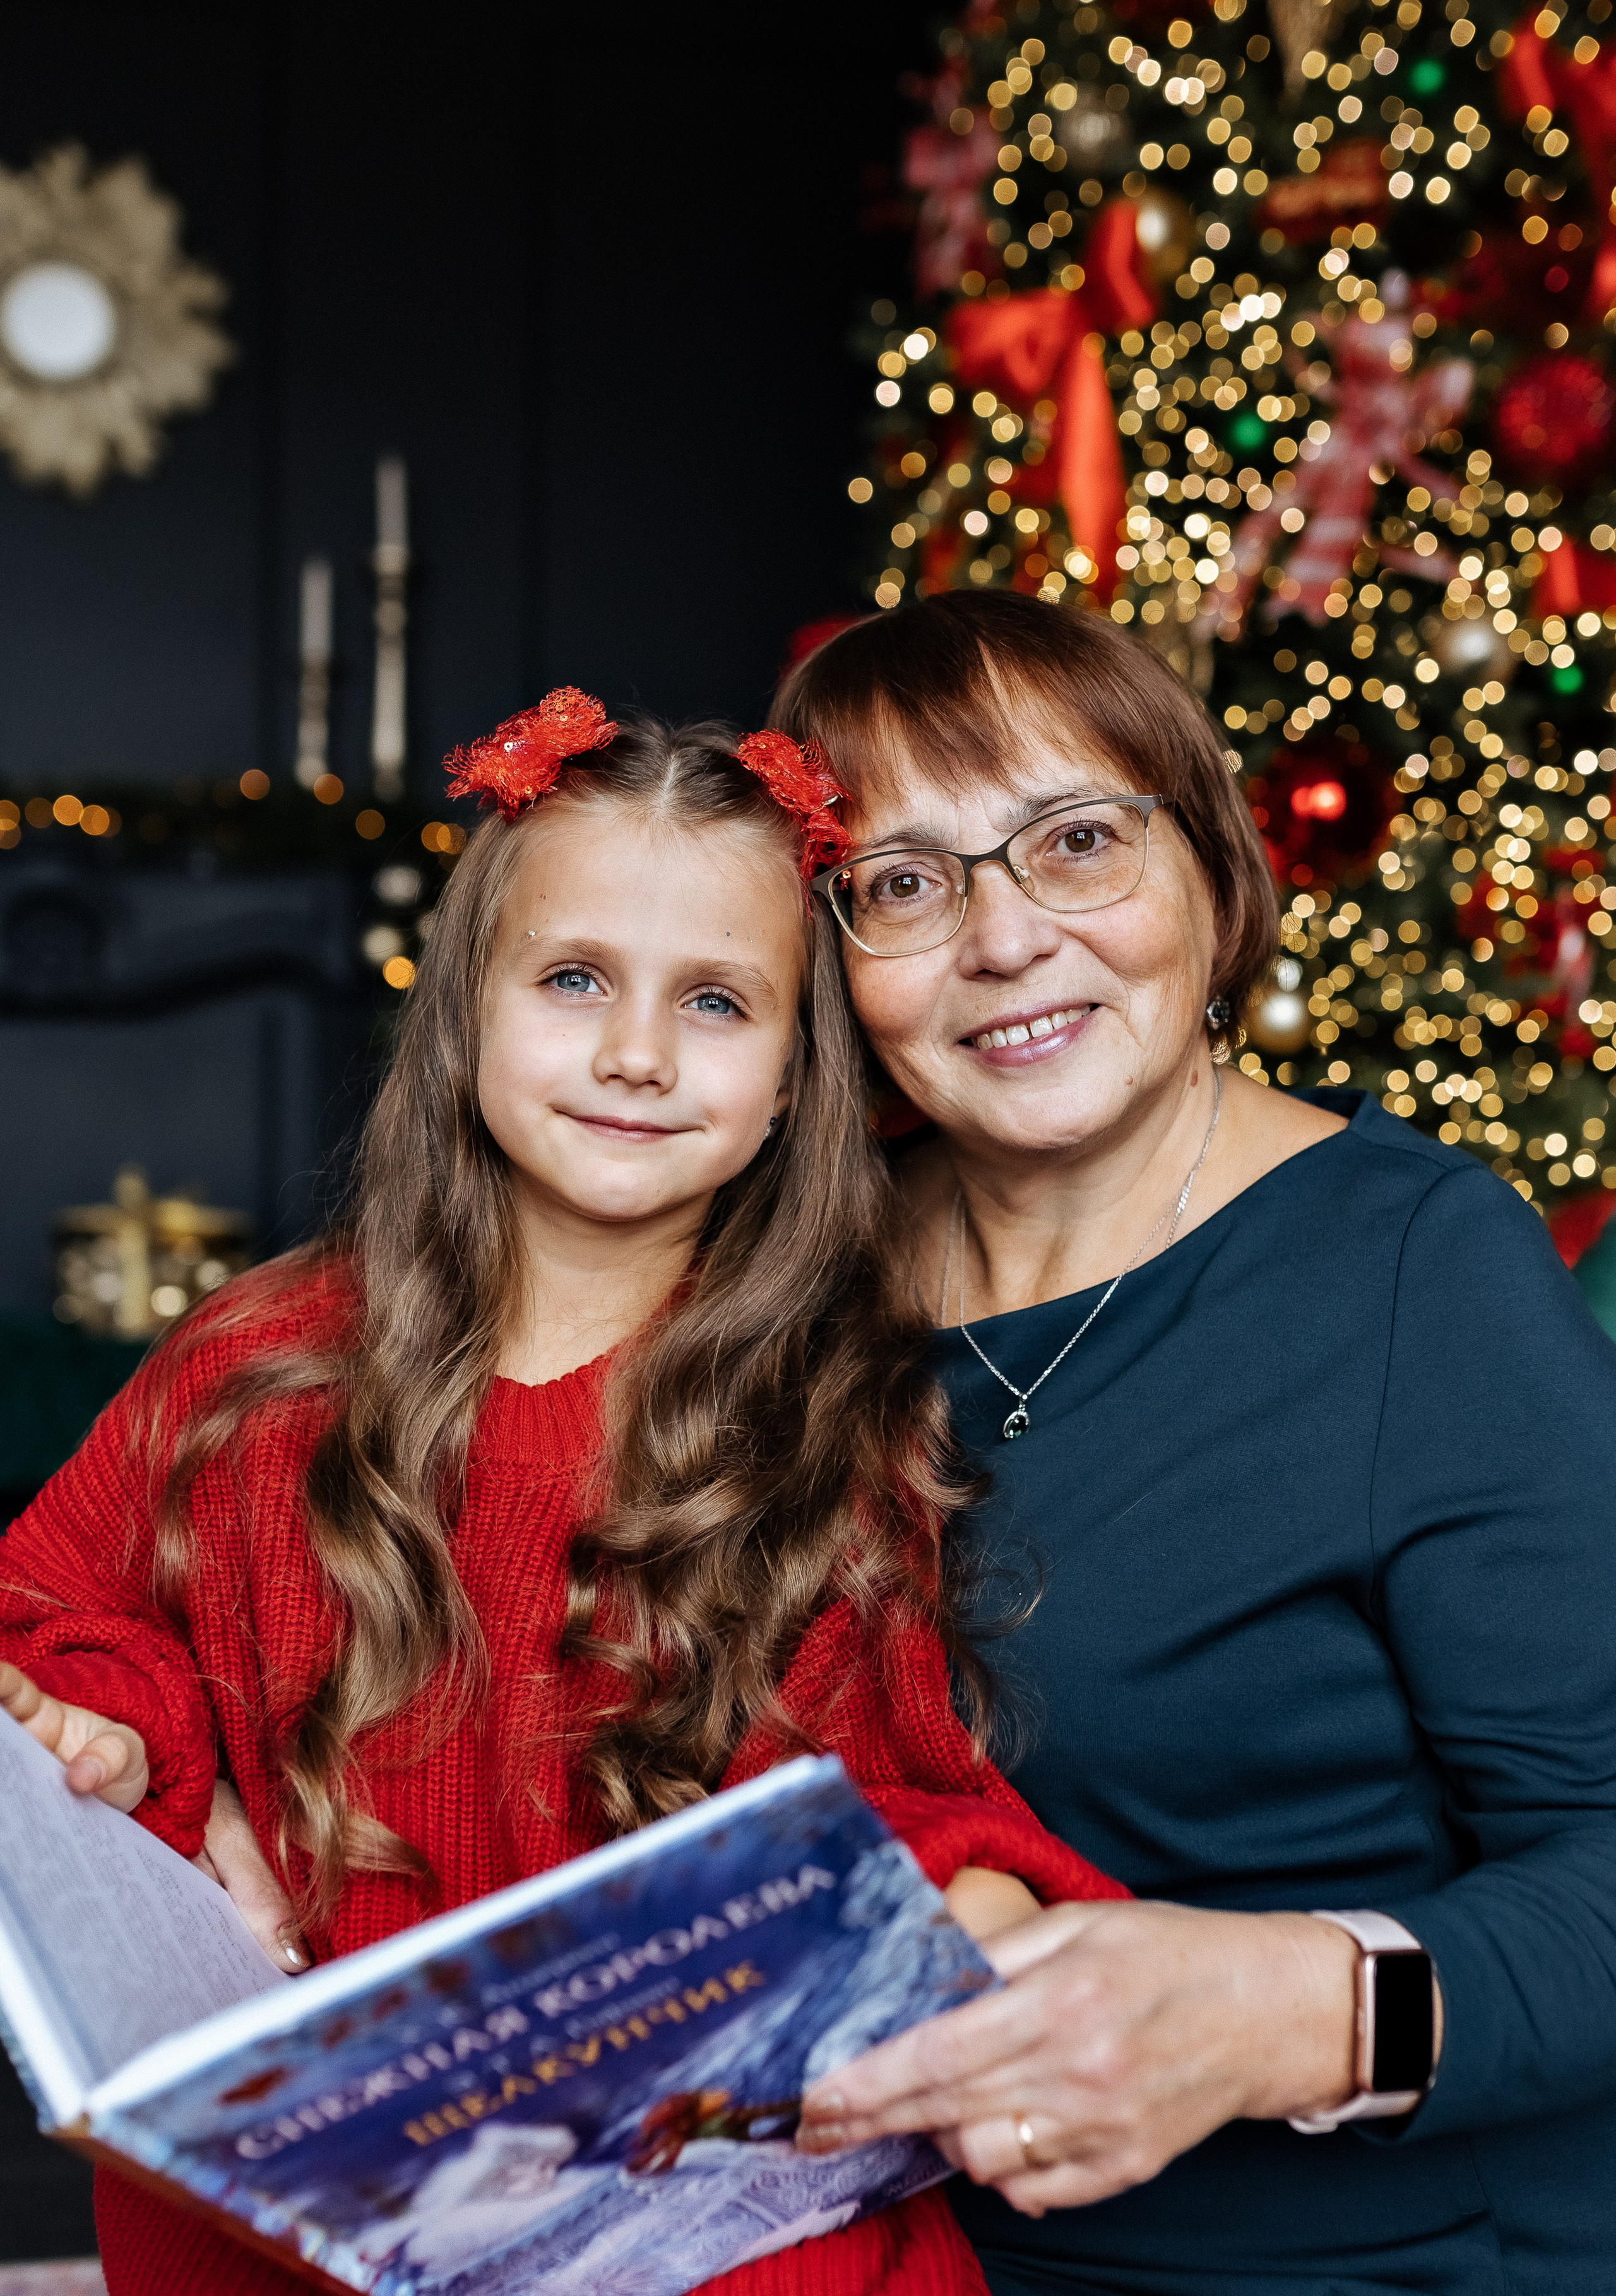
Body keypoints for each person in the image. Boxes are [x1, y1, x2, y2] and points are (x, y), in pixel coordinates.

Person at [0, 692, 1122, 2296]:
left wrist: (983, 1916)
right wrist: (132, 1751)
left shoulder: (823, 1425)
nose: (635, 1055)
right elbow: (61, 1626)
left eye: (715, 1002)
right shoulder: (252, 1366)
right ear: (466, 1009)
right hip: (308, 2229)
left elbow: (897, 1816)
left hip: (709, 2241)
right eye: (575, 978)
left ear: (792, 1078)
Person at [769, 593, 1616, 2294]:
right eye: (906, 883)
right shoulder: (778, 1287)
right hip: (864, 2259)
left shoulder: (1419, 1268)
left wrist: (1292, 2015)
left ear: (1214, 875)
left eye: (1077, 841)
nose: (1005, 938)